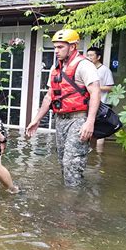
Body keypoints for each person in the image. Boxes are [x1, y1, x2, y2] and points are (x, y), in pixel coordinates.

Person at [25, 29, 101, 187]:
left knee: (72, 162)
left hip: (79, 119)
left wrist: (90, 122)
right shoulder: (55, 69)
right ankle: (72, 195)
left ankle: (73, 204)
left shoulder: (84, 66)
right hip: (60, 120)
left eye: (60, 47)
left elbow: (95, 93)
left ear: (72, 47)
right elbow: (49, 97)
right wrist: (36, 120)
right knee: (62, 162)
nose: (56, 51)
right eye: (55, 47)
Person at [86, 46, 115, 151]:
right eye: (88, 55)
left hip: (101, 104)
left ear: (98, 57)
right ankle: (90, 151)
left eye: (91, 55)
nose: (89, 57)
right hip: (87, 103)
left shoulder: (105, 70)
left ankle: (98, 154)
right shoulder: (87, 69)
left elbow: (110, 87)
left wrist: (96, 88)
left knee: (99, 129)